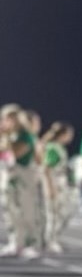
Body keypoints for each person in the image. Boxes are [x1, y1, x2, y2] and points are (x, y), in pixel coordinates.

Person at [0, 104, 43, 258]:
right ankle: (15, 242)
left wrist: (5, 138)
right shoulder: (9, 136)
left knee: (27, 210)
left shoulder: (25, 135)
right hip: (9, 176)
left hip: (24, 176)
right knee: (10, 211)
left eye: (7, 119)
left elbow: (16, 153)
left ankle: (31, 244)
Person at [41, 121, 77, 253]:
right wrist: (51, 187)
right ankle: (50, 240)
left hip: (61, 184)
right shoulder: (53, 148)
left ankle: (53, 239)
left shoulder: (59, 147)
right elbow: (47, 168)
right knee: (54, 214)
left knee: (62, 213)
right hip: (55, 183)